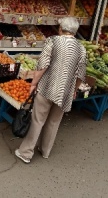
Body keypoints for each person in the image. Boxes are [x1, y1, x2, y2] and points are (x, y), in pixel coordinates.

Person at [15, 17, 86, 164]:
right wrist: (74, 89)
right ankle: (45, 151)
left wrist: (34, 84)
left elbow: (42, 66)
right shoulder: (81, 48)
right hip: (65, 92)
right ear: (75, 31)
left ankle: (25, 153)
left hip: (47, 87)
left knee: (37, 120)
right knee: (54, 122)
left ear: (61, 28)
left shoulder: (53, 41)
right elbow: (81, 74)